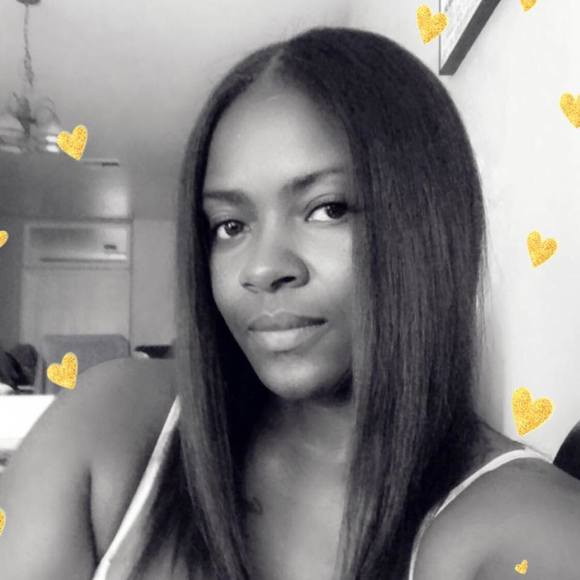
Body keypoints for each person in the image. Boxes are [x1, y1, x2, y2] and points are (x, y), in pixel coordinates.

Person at [0, 26, 579, 580]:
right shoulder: (110, 429)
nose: (261, 269)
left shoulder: (534, 531)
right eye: (230, 225)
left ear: (428, 222)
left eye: (327, 209)